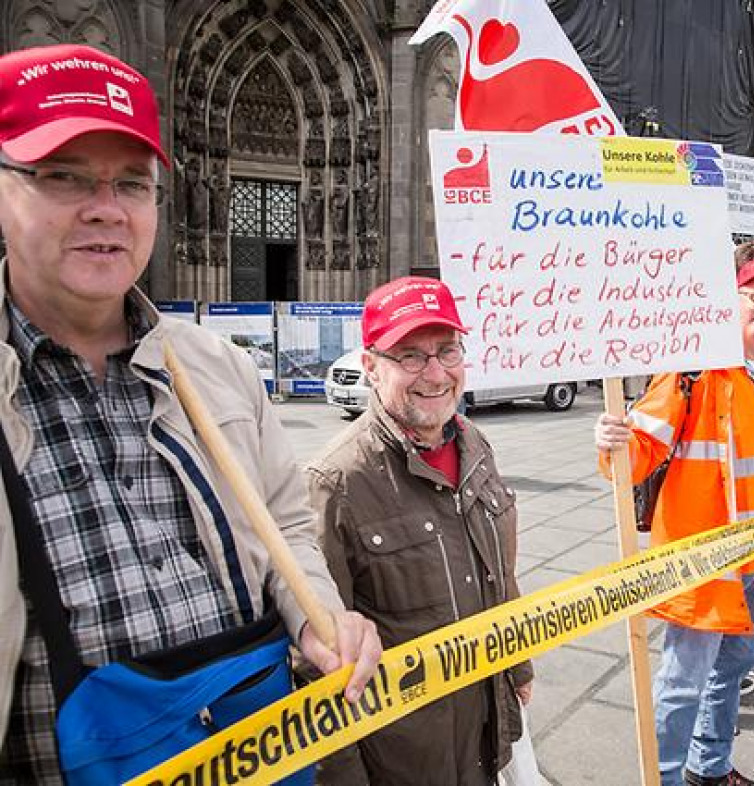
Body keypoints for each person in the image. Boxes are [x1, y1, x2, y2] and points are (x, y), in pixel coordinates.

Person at [0, 44, 381, 781]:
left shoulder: (220, 368)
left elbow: (288, 528)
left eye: (132, 184)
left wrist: (316, 616)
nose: (105, 207)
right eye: (64, 176)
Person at [594, 255, 754, 786]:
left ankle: (711, 767)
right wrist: (612, 444)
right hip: (705, 561)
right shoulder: (691, 369)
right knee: (682, 685)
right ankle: (667, 778)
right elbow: (638, 453)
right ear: (732, 300)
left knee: (734, 672)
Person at [309, 277, 534, 786]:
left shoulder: (474, 443)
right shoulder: (336, 483)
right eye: (409, 355)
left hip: (487, 734)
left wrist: (518, 665)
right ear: (370, 365)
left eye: (447, 351)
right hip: (406, 760)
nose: (435, 373)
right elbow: (316, 672)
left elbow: (500, 574)